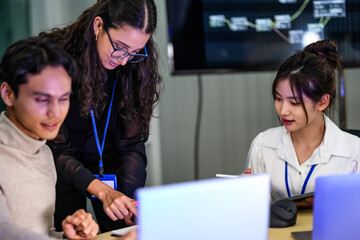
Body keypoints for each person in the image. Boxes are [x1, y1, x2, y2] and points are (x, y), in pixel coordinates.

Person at [39, 0, 162, 232]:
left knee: (123, 228)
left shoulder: (137, 66)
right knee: (67, 230)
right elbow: (56, 148)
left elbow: (132, 145)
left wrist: (129, 204)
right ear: (98, 26)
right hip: (60, 166)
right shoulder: (55, 59)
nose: (124, 59)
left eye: (135, 52)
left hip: (111, 162)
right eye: (120, 47)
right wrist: (102, 191)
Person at [0, 37, 99, 239]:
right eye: (42, 100)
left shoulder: (44, 152)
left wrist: (69, 236)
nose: (55, 112)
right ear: (8, 94)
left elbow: (43, 233)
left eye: (63, 99)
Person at [246, 39, 360, 204]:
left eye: (294, 103)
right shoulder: (263, 145)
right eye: (278, 99)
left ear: (322, 102)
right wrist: (245, 196)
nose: (283, 111)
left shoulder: (354, 152)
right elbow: (254, 213)